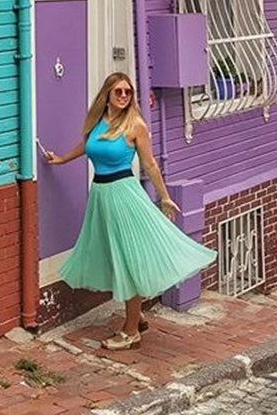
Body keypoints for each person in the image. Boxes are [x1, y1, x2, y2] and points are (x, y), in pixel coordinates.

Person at [43, 72, 216, 351]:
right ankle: (138, 317)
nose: (124, 96)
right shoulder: (97, 121)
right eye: (119, 92)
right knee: (115, 257)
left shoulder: (135, 125)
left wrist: (164, 198)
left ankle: (131, 331)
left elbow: (150, 164)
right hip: (101, 196)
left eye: (128, 92)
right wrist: (62, 159)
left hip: (124, 195)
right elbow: (88, 146)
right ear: (107, 95)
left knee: (129, 261)